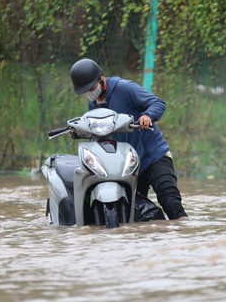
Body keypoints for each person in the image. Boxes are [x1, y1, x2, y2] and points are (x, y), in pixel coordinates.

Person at [70, 58, 188, 220]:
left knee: (170, 201)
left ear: (101, 78)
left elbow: (158, 103)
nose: (90, 93)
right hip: (129, 164)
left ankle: (183, 233)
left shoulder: (124, 88)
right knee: (134, 214)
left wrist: (148, 115)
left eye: (92, 87)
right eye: (86, 91)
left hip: (154, 156)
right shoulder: (93, 106)